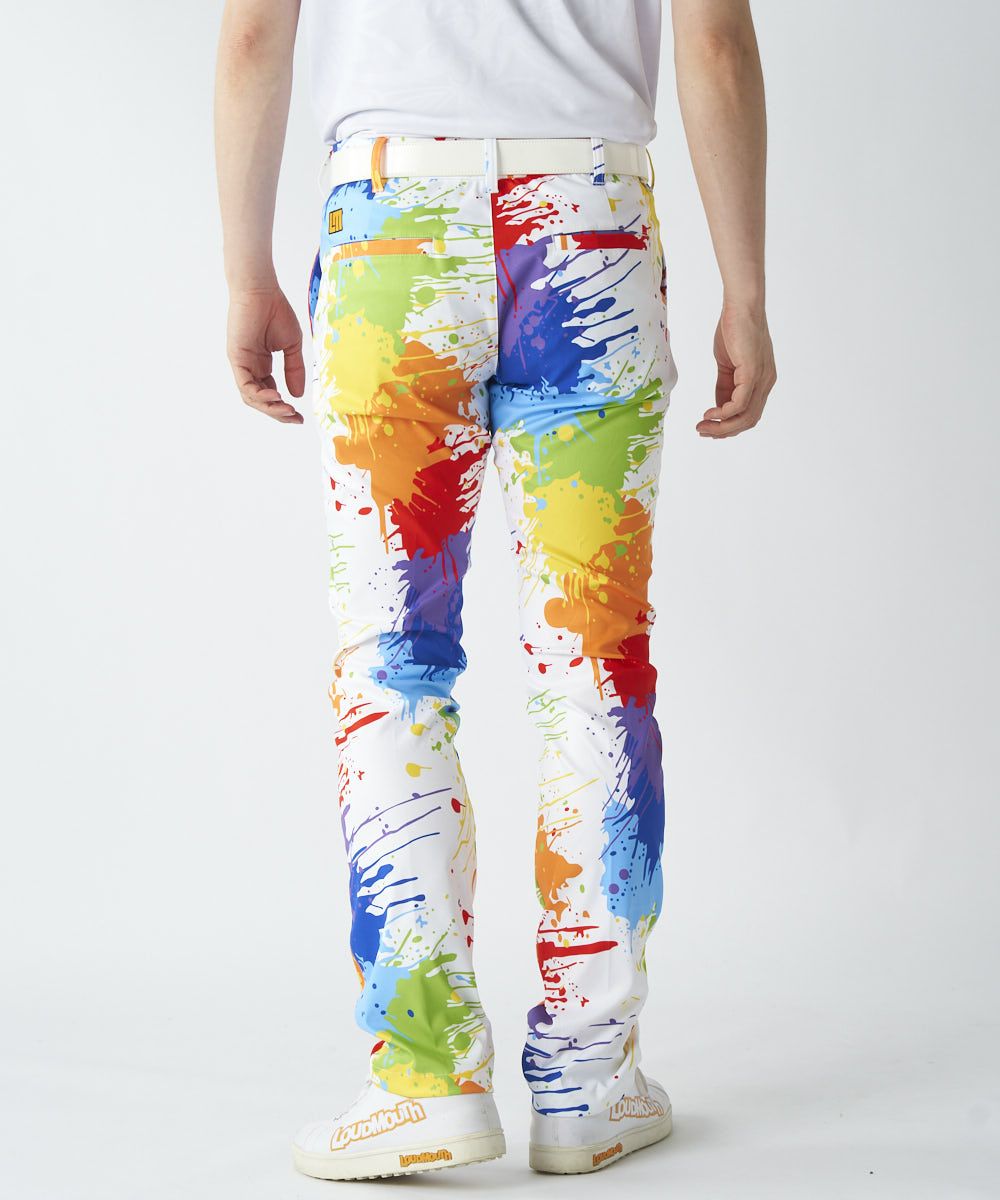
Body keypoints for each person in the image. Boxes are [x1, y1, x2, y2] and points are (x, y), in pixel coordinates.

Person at [215, 0, 775, 1180]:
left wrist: (244, 271)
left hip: (391, 236)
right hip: (588, 234)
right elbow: (715, 42)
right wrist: (746, 289)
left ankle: (422, 1082)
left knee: (391, 671)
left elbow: (256, 33)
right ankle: (587, 1084)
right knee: (597, 668)